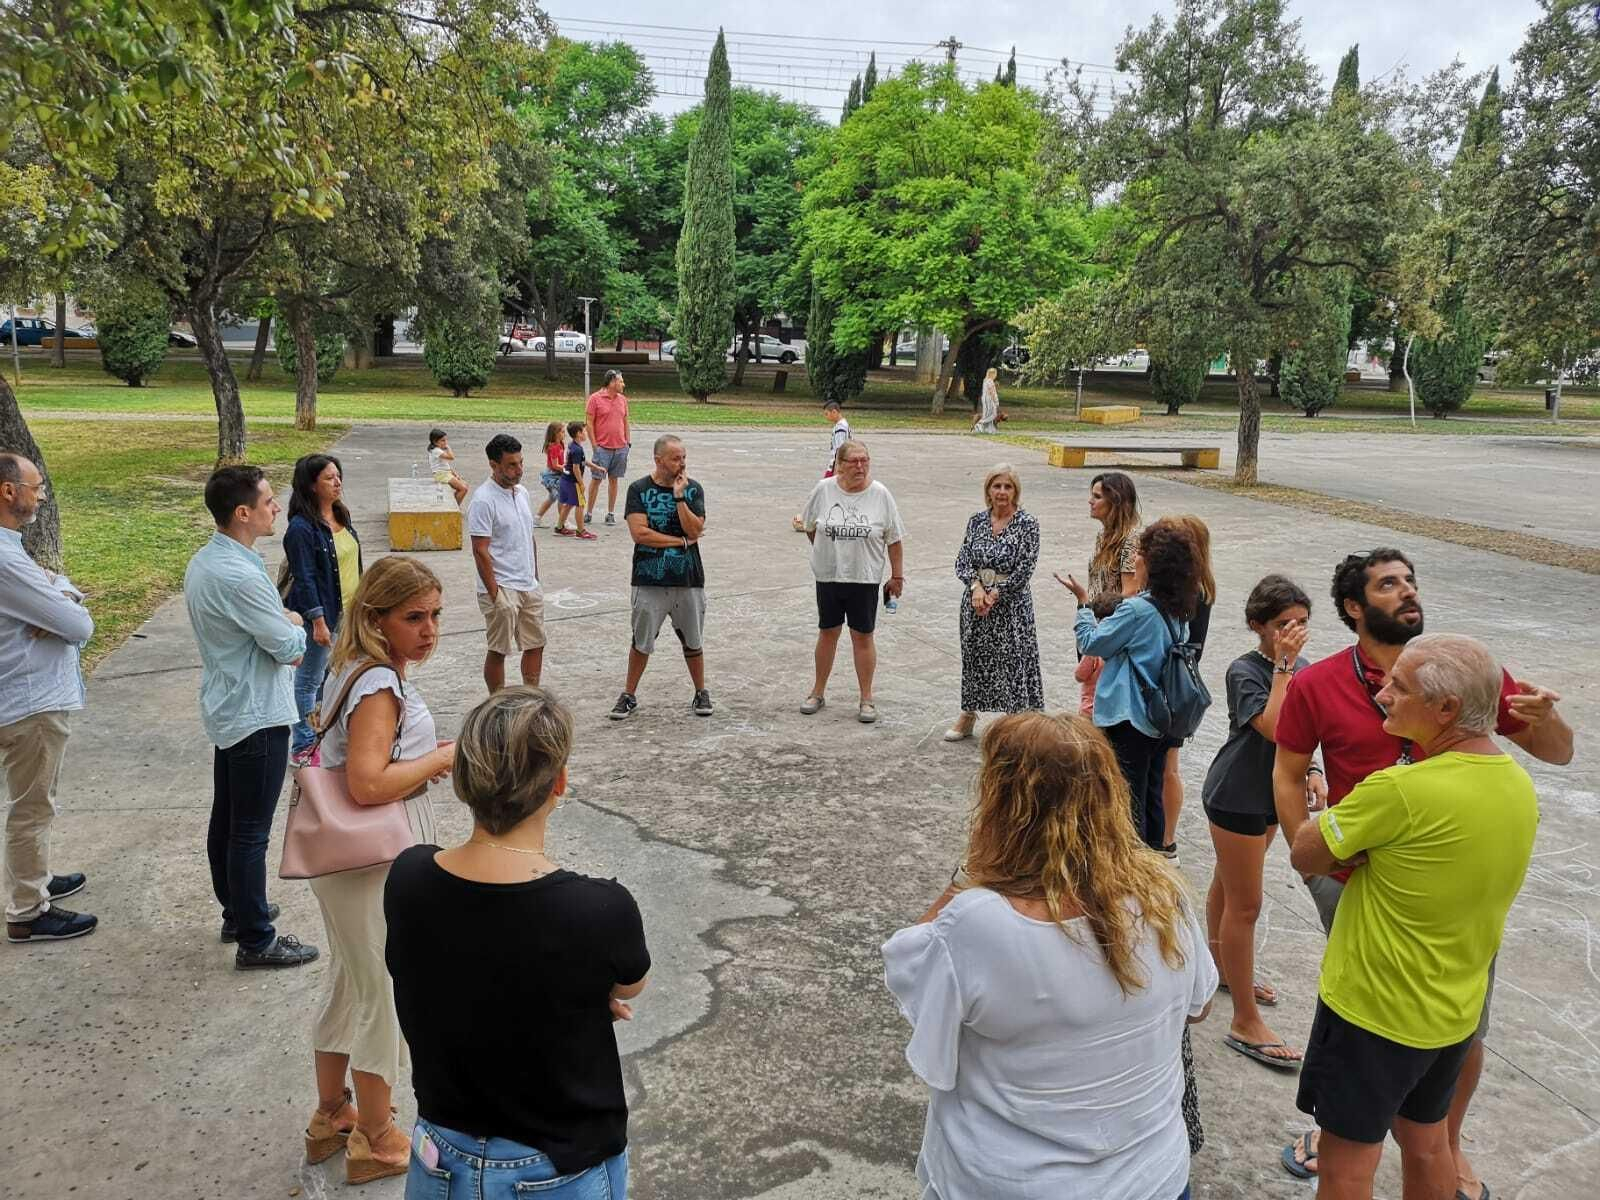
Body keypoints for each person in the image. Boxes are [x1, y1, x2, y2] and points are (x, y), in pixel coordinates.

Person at [1270, 548, 1573, 1190]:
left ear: (1444, 708)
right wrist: (1320, 876)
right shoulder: (1324, 684)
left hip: (1387, 974)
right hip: (1365, 889)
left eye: (1409, 580)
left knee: (1372, 1124)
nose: (1407, 592)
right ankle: (1417, 1140)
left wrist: (1550, 722)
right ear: (1355, 607)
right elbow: (1289, 771)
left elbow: (1557, 749)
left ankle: (1418, 1140)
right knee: (1423, 1114)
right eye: (1389, 584)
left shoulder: (1458, 674)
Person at [883, 711, 1217, 1200]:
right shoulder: (1164, 894)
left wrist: (970, 870)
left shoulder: (977, 922)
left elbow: (907, 974)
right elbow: (1200, 1005)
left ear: (1001, 803)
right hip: (1153, 1179)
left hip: (1012, 1184)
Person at [387, 686, 648, 1198]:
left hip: (440, 1155)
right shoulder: (598, 908)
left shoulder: (409, 877)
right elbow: (631, 985)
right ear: (560, 783)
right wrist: (582, 988)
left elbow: (468, 955)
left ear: (461, 779)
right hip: (559, 1165)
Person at [303, 555, 454, 1186]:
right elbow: (367, 783)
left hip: (345, 857)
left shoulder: (360, 669)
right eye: (413, 617)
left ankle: (330, 1112)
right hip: (368, 858)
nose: (429, 629)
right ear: (375, 617)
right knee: (381, 992)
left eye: (436, 615)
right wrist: (444, 756)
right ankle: (376, 1132)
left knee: (351, 978)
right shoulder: (378, 684)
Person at [184, 465, 318, 968]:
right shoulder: (241, 575)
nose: (276, 508)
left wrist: (280, 622)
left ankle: (238, 911)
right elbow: (289, 648)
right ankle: (256, 937)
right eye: (267, 502)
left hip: (229, 703)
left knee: (229, 820)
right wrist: (296, 621)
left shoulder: (209, 560)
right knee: (249, 830)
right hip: (256, 712)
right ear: (242, 513)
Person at [1200, 574, 1318, 1070]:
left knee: (1229, 887)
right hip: (1238, 793)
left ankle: (1221, 971)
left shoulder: (1304, 668)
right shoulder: (1245, 671)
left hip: (1273, 794)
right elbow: (1273, 725)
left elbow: (1306, 733)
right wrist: (1285, 668)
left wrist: (1312, 769)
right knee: (1245, 904)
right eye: (1281, 625)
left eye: (1301, 624)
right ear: (1257, 626)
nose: (1292, 633)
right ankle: (1244, 1020)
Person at [1059, 518, 1205, 850]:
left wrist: (1083, 605)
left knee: (1125, 796)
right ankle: (1154, 854)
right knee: (1150, 788)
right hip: (1158, 716)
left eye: (1140, 553)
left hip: (1128, 715)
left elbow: (1093, 643)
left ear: (1152, 564)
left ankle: (1129, 861)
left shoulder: (1137, 610)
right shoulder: (1177, 608)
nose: (1134, 559)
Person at [0, 452, 97, 943]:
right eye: (35, 486)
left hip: (22, 698)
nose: (41, 494)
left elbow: (60, 596)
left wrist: (56, 591)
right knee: (32, 807)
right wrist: (60, 605)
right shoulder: (4, 557)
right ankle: (26, 910)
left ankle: (32, 878)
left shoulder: (11, 550)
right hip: (27, 704)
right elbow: (79, 624)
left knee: (33, 803)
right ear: (7, 491)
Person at [798, 439, 906, 724]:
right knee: (828, 632)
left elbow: (894, 539)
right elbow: (810, 528)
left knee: (862, 636)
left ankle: (866, 698)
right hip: (829, 576)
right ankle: (817, 692)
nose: (860, 466)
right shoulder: (823, 490)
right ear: (839, 465)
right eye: (854, 461)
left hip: (864, 578)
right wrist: (828, 553)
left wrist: (897, 575)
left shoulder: (880, 494)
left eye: (865, 460)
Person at [609, 435, 712, 721]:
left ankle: (701, 691)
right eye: (675, 458)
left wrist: (679, 497)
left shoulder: (693, 490)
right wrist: (679, 543)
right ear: (658, 460)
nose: (682, 463)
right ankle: (629, 694)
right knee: (641, 640)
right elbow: (640, 534)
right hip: (648, 579)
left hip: (688, 579)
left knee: (693, 639)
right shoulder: (638, 489)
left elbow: (695, 530)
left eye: (684, 457)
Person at [945, 464, 1042, 741]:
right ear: (988, 490)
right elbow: (962, 561)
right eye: (996, 486)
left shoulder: (1027, 523)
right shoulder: (976, 521)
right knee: (974, 656)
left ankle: (1017, 721)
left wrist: (996, 593)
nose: (1002, 492)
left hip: (1011, 604)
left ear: (1015, 491)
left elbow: (1025, 568)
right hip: (975, 602)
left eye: (1007, 486)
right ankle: (968, 714)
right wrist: (976, 587)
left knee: (1012, 659)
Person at [283, 453, 362, 766]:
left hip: (346, 613)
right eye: (330, 478)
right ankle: (303, 744)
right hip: (321, 616)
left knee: (334, 678)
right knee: (307, 681)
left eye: (338, 475)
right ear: (312, 485)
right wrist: (317, 620)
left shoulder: (341, 516)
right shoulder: (301, 529)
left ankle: (323, 735)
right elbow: (305, 577)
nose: (338, 482)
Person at [467, 434, 545, 693]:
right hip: (501, 585)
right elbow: (480, 550)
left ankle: (531, 696)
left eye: (520, 463)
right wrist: (495, 593)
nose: (519, 470)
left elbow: (528, 535)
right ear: (493, 464)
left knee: (536, 643)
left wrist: (535, 577)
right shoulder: (483, 500)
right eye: (511, 465)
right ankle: (496, 700)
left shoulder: (521, 493)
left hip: (527, 583)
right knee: (499, 649)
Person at [1158, 515, 1215, 861]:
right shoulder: (1198, 586)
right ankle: (1165, 839)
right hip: (1176, 684)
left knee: (1168, 767)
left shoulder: (1189, 591)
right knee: (1168, 765)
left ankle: (1167, 840)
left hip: (1170, 686)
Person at [1072, 471, 1142, 718]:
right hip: (1094, 622)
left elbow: (1130, 593)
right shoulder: (1104, 535)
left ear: (1116, 502)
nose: (1090, 501)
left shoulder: (1131, 541)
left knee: (1098, 707)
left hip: (1110, 631)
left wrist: (1106, 629)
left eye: (1097, 496)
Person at [792, 400, 851, 532]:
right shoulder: (843, 425)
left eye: (827, 414)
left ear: (834, 412)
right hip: (836, 467)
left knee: (820, 492)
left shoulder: (841, 428)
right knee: (829, 493)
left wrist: (837, 470)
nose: (826, 417)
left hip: (835, 467)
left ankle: (808, 520)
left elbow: (839, 450)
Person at [584, 369, 632, 526]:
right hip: (602, 448)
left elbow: (625, 421)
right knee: (596, 480)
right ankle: (588, 512)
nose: (623, 384)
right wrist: (594, 445)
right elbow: (589, 423)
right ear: (612, 382)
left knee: (614, 480)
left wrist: (627, 442)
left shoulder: (623, 400)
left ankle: (610, 513)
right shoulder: (595, 399)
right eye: (621, 381)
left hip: (620, 448)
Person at [556, 421, 596, 541]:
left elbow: (581, 462)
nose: (586, 434)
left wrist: (596, 467)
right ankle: (580, 531)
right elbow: (576, 468)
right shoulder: (577, 449)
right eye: (584, 431)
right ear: (579, 433)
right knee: (580, 504)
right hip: (573, 481)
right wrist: (581, 483)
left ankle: (559, 527)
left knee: (568, 504)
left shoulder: (573, 446)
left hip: (566, 479)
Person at [534, 421, 566, 528]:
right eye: (562, 432)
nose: (564, 434)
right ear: (555, 433)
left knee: (552, 498)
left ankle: (537, 519)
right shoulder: (554, 447)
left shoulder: (560, 445)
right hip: (553, 476)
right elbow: (555, 465)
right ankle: (563, 522)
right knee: (561, 497)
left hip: (557, 474)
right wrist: (566, 468)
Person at [427, 430, 469, 506]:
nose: (445, 442)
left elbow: (444, 464)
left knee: (465, 485)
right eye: (443, 440)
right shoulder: (436, 451)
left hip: (445, 473)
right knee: (463, 489)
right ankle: (455, 508)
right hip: (441, 475)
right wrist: (448, 448)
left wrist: (453, 473)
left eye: (446, 440)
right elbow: (451, 457)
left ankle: (453, 505)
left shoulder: (438, 450)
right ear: (435, 442)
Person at [972, 366, 1000, 433]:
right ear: (992, 374)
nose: (996, 375)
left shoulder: (986, 380)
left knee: (988, 414)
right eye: (995, 374)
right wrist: (996, 401)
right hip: (989, 400)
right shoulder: (990, 381)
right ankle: (978, 425)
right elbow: (992, 392)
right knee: (991, 414)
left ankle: (989, 429)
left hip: (986, 399)